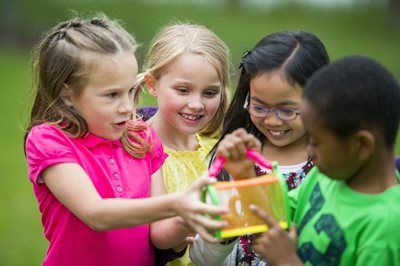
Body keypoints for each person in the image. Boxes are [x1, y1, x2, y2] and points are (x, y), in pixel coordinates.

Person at [24, 15, 227, 266]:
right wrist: (177, 203)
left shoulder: (142, 137)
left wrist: (192, 213)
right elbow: (96, 214)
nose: (128, 106)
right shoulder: (49, 140)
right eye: (112, 95)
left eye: (131, 90)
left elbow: (160, 236)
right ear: (68, 93)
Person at [221, 55, 400, 265]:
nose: (309, 148)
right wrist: (245, 174)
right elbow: (271, 222)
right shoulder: (324, 177)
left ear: (361, 145)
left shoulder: (387, 226)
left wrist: (288, 262)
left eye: (316, 141)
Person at [190, 30, 329, 265]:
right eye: (259, 107)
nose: (272, 121)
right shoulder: (236, 158)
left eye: (287, 110)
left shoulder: (330, 169)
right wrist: (223, 233)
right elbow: (203, 259)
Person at [135, 23, 230, 266]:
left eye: (209, 93)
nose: (196, 104)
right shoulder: (135, 149)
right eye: (183, 90)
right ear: (152, 84)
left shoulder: (216, 148)